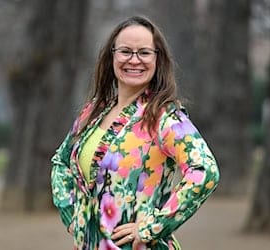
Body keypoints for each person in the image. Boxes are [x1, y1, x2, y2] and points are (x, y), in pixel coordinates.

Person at [51, 15, 220, 250]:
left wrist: (152, 226)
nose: (134, 60)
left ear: (158, 59)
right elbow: (61, 161)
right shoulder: (94, 111)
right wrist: (72, 215)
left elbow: (205, 172)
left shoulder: (164, 118)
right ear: (112, 56)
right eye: (126, 51)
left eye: (144, 52)